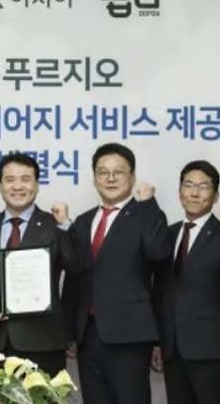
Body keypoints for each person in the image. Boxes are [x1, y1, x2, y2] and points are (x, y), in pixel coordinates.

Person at [61, 142, 171, 404]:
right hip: (88, 335)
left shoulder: (147, 214)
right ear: (94, 178)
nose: (110, 178)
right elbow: (75, 278)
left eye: (118, 172)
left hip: (129, 336)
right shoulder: (84, 221)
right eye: (103, 172)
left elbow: (159, 253)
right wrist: (69, 332)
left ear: (132, 177)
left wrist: (148, 204)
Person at [0, 152, 83, 376]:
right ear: (0, 186)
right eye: (10, 180)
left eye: (26, 179)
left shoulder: (54, 224)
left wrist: (65, 225)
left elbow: (76, 267)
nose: (18, 186)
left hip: (44, 342)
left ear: (37, 185)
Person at [152, 160, 220, 404]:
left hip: (208, 345)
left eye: (203, 186)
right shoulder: (169, 234)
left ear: (215, 195)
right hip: (172, 346)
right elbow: (160, 291)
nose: (194, 193)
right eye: (188, 185)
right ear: (180, 192)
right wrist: (157, 341)